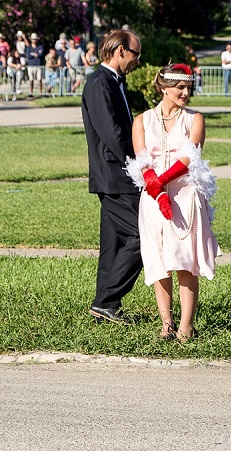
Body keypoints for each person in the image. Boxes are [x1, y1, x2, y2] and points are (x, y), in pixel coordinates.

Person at [126, 63, 220, 341]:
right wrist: (156, 189)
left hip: (186, 194)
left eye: (188, 87)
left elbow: (190, 156)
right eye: (179, 87)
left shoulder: (195, 119)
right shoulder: (142, 120)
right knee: (159, 259)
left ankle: (186, 326)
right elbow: (142, 159)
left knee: (185, 261)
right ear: (163, 88)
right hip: (153, 198)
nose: (185, 92)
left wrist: (163, 181)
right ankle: (166, 323)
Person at [80, 28, 144, 324]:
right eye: (135, 54)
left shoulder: (113, 82)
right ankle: (107, 300)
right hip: (116, 175)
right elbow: (113, 135)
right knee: (142, 236)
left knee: (114, 244)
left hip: (116, 175)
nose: (137, 61)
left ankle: (104, 307)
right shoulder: (99, 84)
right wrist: (139, 164)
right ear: (120, 51)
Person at [25, 32, 44, 97]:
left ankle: (40, 93)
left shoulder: (40, 46)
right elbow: (28, 56)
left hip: (38, 65)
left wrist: (33, 54)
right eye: (33, 39)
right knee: (31, 80)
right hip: (31, 65)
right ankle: (31, 92)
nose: (34, 40)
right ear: (31, 40)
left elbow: (41, 54)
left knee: (39, 79)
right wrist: (36, 54)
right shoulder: (29, 47)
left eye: (35, 39)